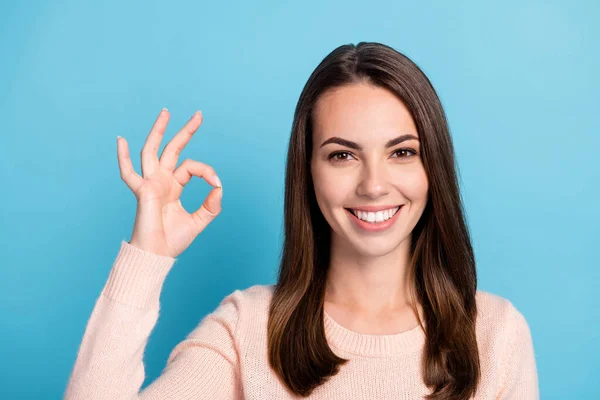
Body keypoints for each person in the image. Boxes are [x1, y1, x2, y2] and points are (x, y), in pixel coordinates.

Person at [64, 42, 539, 399]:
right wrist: (146, 258)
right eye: (342, 155)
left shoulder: (495, 335)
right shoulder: (246, 329)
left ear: (432, 166)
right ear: (307, 171)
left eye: (402, 152)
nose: (374, 185)